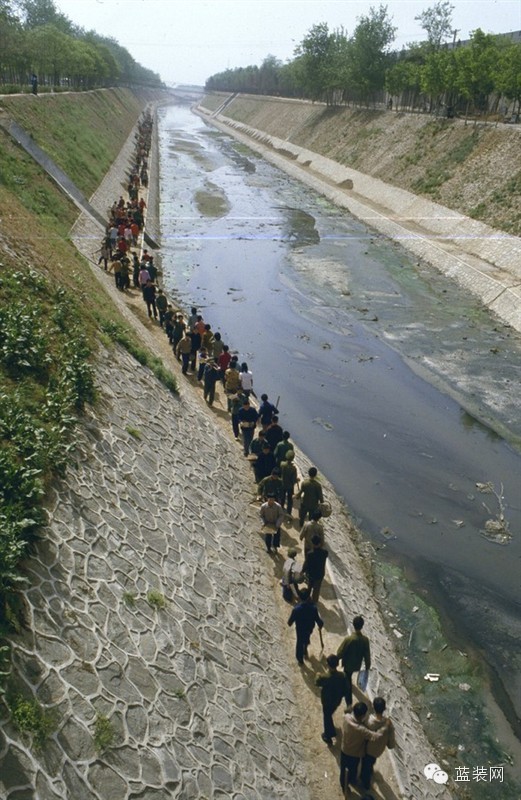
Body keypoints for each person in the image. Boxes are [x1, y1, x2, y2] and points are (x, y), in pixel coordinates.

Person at [340, 702, 389, 792]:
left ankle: (344, 786)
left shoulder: (347, 718)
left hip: (344, 749)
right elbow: (376, 736)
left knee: (343, 769)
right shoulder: (361, 730)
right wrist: (386, 725)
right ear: (362, 716)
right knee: (353, 769)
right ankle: (352, 781)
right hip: (354, 754)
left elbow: (347, 711)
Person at [360, 697, 395, 791]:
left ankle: (365, 783)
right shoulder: (388, 723)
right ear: (384, 708)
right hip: (379, 749)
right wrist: (391, 745)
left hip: (367, 749)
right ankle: (370, 770)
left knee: (365, 765)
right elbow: (391, 739)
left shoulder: (369, 721)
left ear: (374, 707)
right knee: (372, 760)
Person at [337, 616, 371, 708]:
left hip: (348, 664)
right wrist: (367, 666)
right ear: (362, 626)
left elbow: (340, 652)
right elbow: (367, 656)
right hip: (357, 665)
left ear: (353, 624)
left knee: (347, 680)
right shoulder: (365, 640)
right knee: (349, 675)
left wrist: (336, 659)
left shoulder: (349, 639)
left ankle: (349, 703)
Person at [315, 654, 347, 744]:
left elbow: (316, 683)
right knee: (329, 714)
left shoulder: (324, 677)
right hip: (336, 701)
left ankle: (328, 736)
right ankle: (331, 730)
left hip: (327, 702)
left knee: (327, 716)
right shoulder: (342, 676)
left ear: (328, 664)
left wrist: (317, 675)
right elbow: (346, 690)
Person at [287, 589, 324, 665]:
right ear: (308, 598)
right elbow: (318, 620)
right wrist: (320, 625)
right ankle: (305, 650)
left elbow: (289, 623)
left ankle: (300, 659)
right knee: (307, 638)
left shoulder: (296, 610)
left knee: (299, 642)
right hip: (309, 628)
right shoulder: (313, 608)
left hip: (300, 629)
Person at [301, 535, 328, 604]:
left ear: (312, 543)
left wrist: (302, 571)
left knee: (309, 586)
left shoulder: (310, 554)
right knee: (316, 589)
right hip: (320, 574)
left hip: (311, 574)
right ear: (319, 543)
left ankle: (307, 598)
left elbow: (306, 564)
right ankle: (314, 601)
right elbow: (325, 554)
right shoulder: (324, 553)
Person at [280, 450, 298, 514]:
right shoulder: (293, 468)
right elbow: (293, 480)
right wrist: (296, 480)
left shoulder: (282, 464)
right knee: (290, 500)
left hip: (282, 484)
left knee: (282, 497)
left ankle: (280, 508)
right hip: (290, 486)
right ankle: (288, 512)